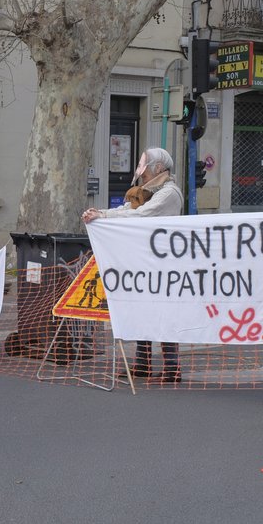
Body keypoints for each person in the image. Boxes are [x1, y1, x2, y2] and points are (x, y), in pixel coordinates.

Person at [82, 147, 184, 383]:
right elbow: (128, 209)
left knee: (164, 314)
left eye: (144, 168)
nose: (141, 173)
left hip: (164, 265)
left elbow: (143, 215)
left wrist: (103, 217)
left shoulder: (169, 193)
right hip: (146, 262)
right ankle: (143, 363)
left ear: (159, 168)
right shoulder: (149, 191)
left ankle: (172, 367)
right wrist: (100, 213)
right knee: (143, 311)